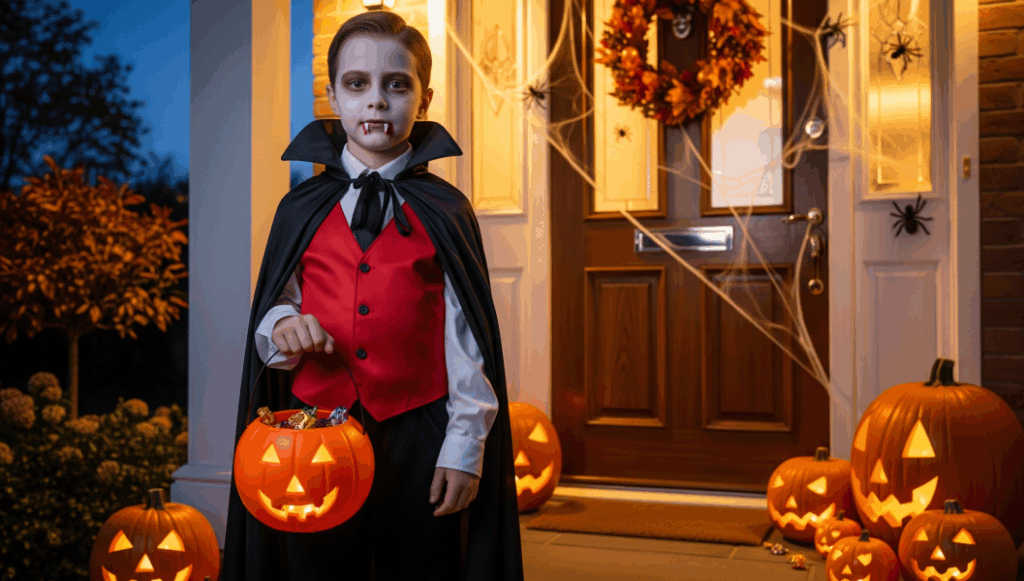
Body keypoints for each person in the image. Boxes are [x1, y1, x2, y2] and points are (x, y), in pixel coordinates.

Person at [220, 10, 524, 581]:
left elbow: (467, 341)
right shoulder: (300, 208)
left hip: (420, 433)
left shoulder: (447, 210)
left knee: (423, 569)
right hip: (312, 435)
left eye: (397, 84)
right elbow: (276, 307)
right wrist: (282, 324)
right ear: (333, 97)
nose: (377, 100)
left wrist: (464, 449)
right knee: (317, 572)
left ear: (424, 99)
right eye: (357, 84)